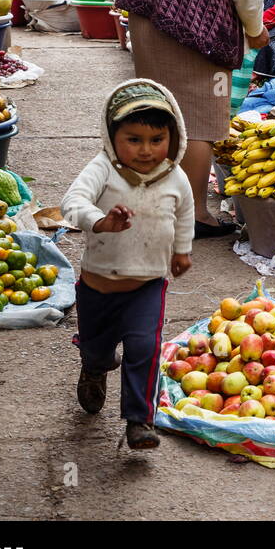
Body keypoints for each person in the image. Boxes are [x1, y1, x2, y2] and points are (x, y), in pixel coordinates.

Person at [114, 0, 270, 238]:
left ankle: (153, 203)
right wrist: (255, 30)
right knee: (201, 122)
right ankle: (195, 214)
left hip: (147, 19)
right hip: (198, 34)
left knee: (158, 112)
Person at [61, 79, 194, 451]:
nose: (147, 151)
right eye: (133, 139)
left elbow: (185, 214)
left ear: (173, 136)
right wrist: (101, 221)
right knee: (97, 349)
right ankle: (94, 366)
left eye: (156, 139)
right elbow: (73, 201)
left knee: (144, 348)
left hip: (147, 284)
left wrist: (182, 251)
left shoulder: (175, 176)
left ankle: (139, 420)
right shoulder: (103, 167)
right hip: (98, 286)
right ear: (111, 135)